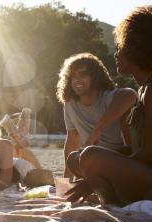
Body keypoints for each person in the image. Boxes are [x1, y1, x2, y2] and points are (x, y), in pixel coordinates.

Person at [65, 6, 152, 206]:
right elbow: (137, 149)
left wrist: (97, 167)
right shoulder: (144, 89)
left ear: (139, 48)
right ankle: (113, 199)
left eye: (121, 47)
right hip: (145, 172)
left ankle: (112, 204)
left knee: (90, 156)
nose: (116, 53)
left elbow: (148, 154)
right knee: (75, 158)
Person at [57, 53, 137, 179]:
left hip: (119, 158)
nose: (76, 79)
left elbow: (130, 95)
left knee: (88, 154)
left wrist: (98, 128)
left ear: (95, 77)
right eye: (73, 76)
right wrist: (67, 177)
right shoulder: (70, 103)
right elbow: (72, 139)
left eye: (83, 74)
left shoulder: (107, 97)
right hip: (91, 161)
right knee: (74, 158)